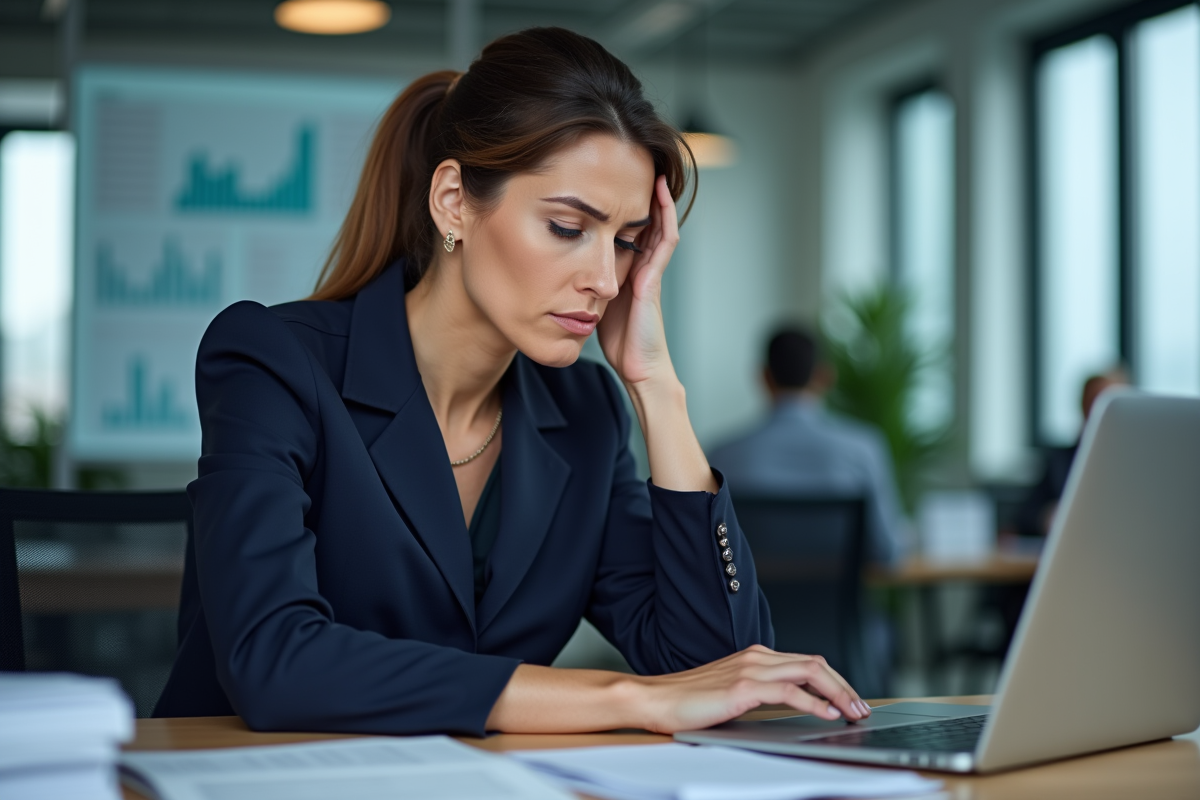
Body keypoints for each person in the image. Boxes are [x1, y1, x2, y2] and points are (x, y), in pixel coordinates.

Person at [153, 28, 870, 736]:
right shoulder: (275, 362)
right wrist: (627, 698)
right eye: (567, 227)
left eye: (624, 242)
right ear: (454, 202)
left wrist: (655, 386)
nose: (603, 279)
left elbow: (714, 664)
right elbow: (273, 660)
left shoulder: (584, 414)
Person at [708, 326, 907, 566]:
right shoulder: (863, 449)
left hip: (751, 604)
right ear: (824, 377)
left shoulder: (721, 456)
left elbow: (710, 551)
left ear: (764, 377)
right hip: (838, 604)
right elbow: (886, 551)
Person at [1017, 369, 1128, 538]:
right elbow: (1024, 517)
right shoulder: (1060, 461)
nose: (1102, 410)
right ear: (1083, 405)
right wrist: (1047, 517)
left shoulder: (1136, 464)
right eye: (1095, 401)